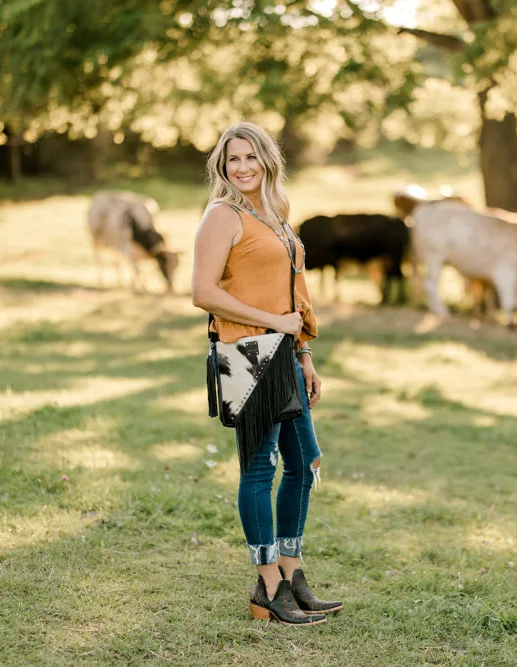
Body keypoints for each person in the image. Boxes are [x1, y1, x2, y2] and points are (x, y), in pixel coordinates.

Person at [191, 122, 343, 626]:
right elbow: (203, 292)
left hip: (286, 354)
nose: (243, 167)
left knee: (302, 465)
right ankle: (266, 583)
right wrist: (274, 323)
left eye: (251, 157)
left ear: (268, 160)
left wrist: (304, 354)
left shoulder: (275, 212)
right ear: (222, 165)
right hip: (248, 356)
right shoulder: (222, 215)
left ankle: (293, 572)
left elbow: (293, 290)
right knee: (260, 468)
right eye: (233, 159)